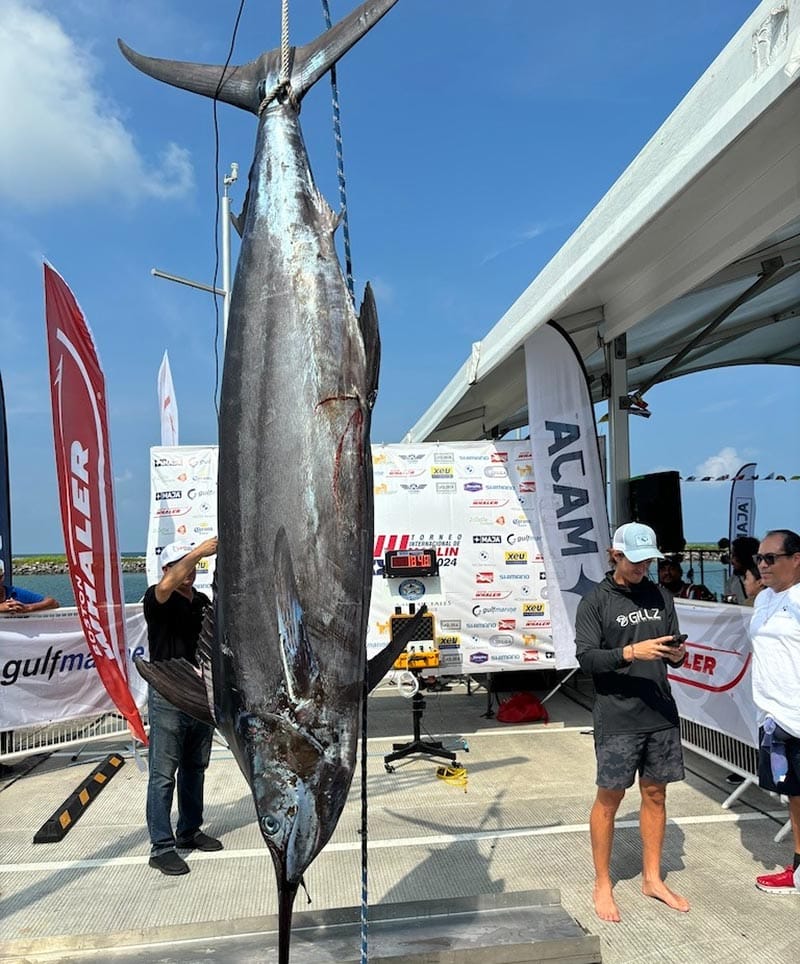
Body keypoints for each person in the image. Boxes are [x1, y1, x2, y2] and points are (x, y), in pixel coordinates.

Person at [575, 522, 690, 922]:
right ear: (615, 555)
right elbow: (586, 659)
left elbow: (674, 648)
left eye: (648, 561)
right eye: (636, 561)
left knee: (656, 795)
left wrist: (678, 655)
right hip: (617, 715)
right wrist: (629, 652)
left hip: (659, 712)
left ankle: (652, 878)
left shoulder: (661, 595)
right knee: (610, 799)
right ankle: (602, 882)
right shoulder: (594, 601)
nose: (643, 568)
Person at [143, 537, 222, 876]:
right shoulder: (156, 598)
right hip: (169, 696)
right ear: (166, 569)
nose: (188, 571)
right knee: (163, 775)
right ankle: (161, 847)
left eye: (190, 565)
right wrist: (199, 552)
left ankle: (189, 830)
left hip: (200, 695)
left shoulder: (201, 601)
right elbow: (166, 587)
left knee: (194, 768)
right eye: (179, 565)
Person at [748, 528, 800, 895]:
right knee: (794, 795)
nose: (762, 565)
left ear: (796, 559)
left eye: (770, 558)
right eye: (759, 558)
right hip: (773, 719)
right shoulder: (764, 599)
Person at [724, 536, 760, 605]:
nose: (731, 561)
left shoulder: (766, 579)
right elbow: (729, 604)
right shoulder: (731, 582)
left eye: (734, 555)